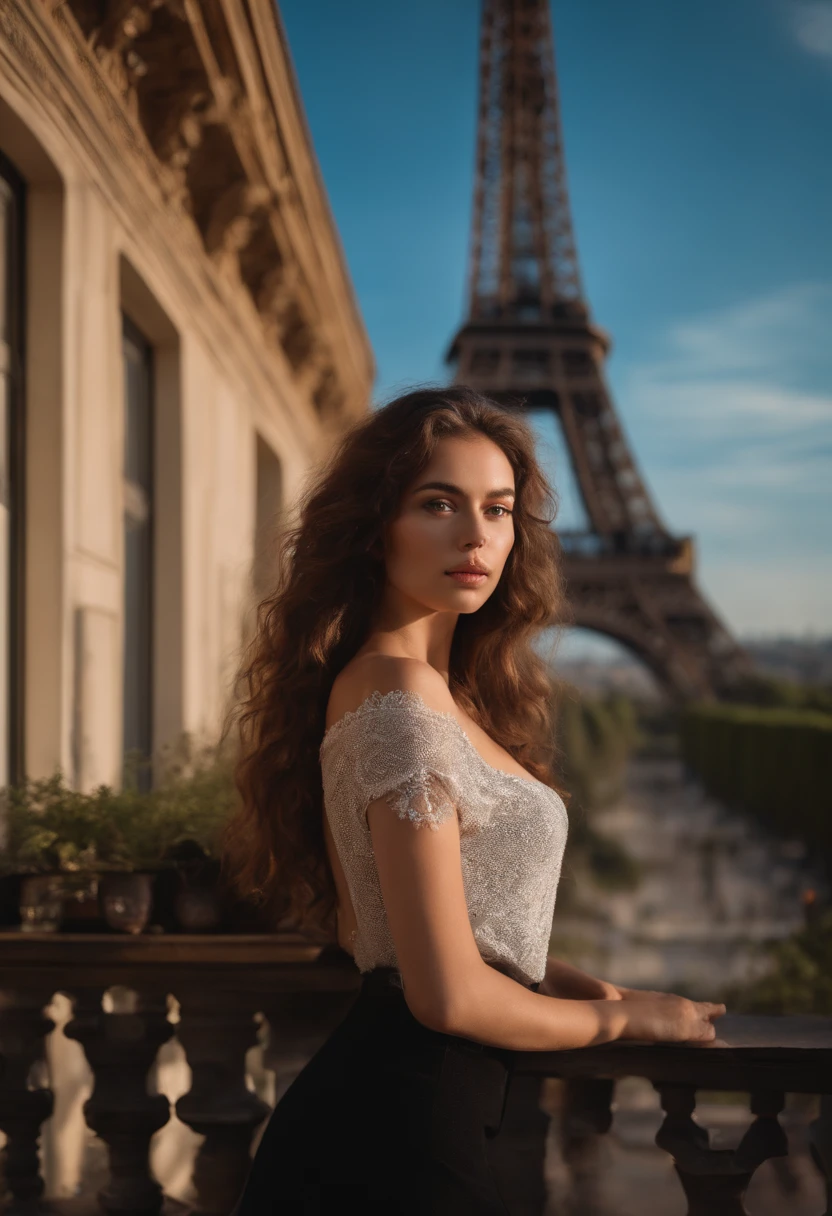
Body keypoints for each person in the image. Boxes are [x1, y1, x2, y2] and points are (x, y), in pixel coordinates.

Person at [221, 386, 726, 1214]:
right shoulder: (399, 693)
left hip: (399, 1119)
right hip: (399, 1135)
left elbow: (386, 930)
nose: (476, 535)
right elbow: (446, 994)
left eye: (498, 510)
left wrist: (576, 984)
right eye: (437, 504)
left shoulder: (424, 695)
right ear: (373, 525)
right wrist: (627, 1024)